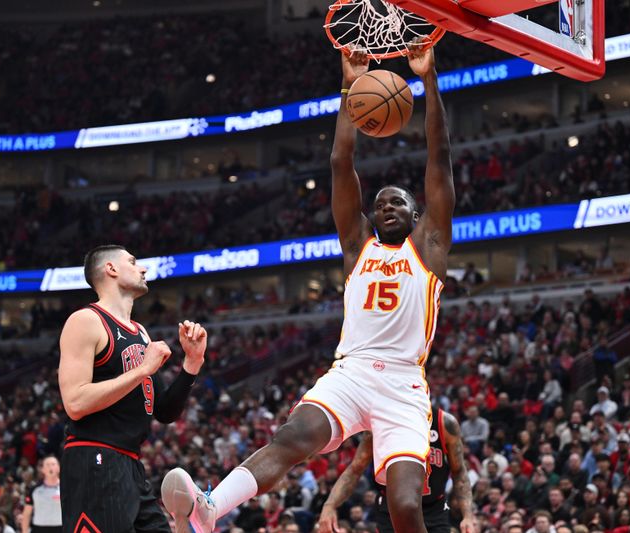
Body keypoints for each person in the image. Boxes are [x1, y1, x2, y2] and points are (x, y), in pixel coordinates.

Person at [163, 40, 456, 533]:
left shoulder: (428, 247)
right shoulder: (355, 246)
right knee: (292, 437)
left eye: (399, 202)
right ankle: (210, 508)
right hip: (352, 372)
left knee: (406, 505)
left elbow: (440, 158)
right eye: (380, 202)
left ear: (417, 214)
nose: (387, 206)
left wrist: (427, 80)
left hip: (405, 385)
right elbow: (341, 162)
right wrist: (348, 86)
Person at [58, 244, 207, 532]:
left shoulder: (140, 332)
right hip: (95, 459)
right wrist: (142, 370)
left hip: (130, 465)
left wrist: (193, 362)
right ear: (110, 269)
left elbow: (163, 411)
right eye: (133, 261)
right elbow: (75, 403)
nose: (143, 268)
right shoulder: (85, 321)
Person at [317, 409, 477, 533]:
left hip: (434, 508)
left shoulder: (444, 423)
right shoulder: (379, 426)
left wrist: (468, 515)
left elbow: (459, 472)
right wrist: (329, 505)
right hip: (392, 509)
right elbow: (355, 469)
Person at [21, 456, 62, 533]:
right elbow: (26, 514)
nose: (50, 467)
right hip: (39, 529)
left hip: (61, 528)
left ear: (58, 468)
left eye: (53, 464)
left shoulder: (66, 489)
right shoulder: (34, 490)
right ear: (42, 469)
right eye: (47, 464)